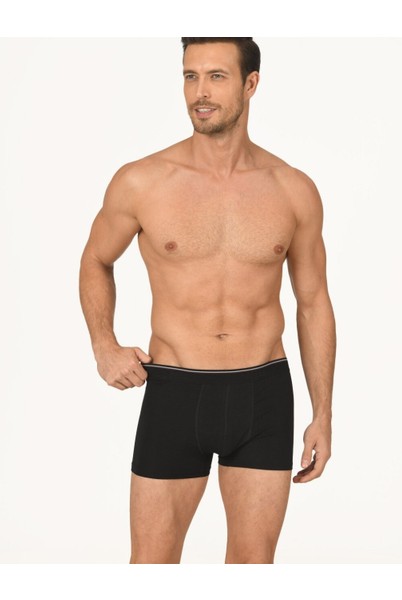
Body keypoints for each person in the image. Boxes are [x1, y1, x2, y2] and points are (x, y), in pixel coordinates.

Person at [79, 37, 336, 564]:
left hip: (263, 394)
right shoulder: (142, 181)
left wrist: (323, 413)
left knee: (251, 567)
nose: (200, 91)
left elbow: (313, 302)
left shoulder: (292, 189)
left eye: (216, 77)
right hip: (175, 391)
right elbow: (95, 259)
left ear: (250, 84)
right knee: (151, 566)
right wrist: (104, 345)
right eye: (190, 76)